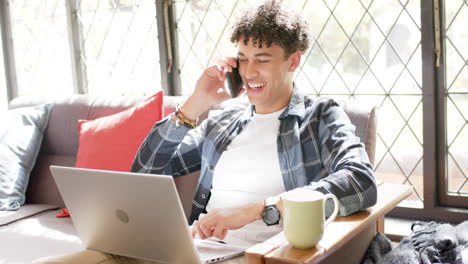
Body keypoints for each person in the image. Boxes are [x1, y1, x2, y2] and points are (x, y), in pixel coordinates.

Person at [132, 0, 377, 247]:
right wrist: (196, 103)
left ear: (293, 61)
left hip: (270, 255)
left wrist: (258, 210)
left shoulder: (320, 117)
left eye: (262, 60)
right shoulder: (223, 123)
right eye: (243, 59)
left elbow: (361, 181)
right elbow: (144, 174)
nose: (249, 73)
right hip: (201, 250)